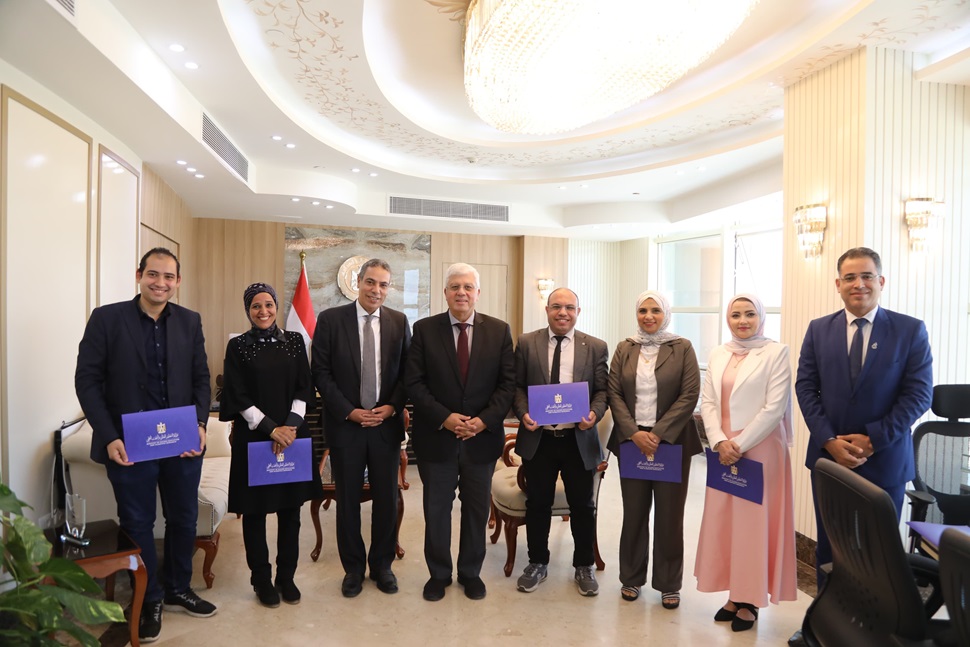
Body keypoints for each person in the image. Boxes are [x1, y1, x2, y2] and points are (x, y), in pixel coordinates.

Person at [75, 248, 216, 643]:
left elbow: (201, 378)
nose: (161, 283)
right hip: (129, 445)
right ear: (139, 275)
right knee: (137, 523)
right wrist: (109, 436)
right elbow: (87, 381)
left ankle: (178, 588)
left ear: (178, 281)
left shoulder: (189, 321)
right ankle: (149, 597)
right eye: (153, 274)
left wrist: (201, 424)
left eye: (169, 276)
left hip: (181, 442)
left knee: (184, 518)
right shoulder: (106, 319)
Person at [796, 247, 933, 584]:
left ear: (881, 281)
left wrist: (874, 439)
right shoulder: (818, 329)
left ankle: (875, 616)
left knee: (877, 552)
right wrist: (829, 440)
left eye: (867, 276)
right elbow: (806, 388)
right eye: (850, 277)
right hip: (830, 460)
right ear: (838, 284)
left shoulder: (910, 330)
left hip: (885, 461)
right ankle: (827, 613)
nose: (859, 284)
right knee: (831, 549)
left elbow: (918, 395)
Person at [405, 262, 515, 602]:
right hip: (436, 438)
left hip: (482, 441)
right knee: (436, 511)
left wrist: (482, 421)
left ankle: (470, 573)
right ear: (445, 292)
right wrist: (446, 418)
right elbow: (414, 383)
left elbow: (507, 385)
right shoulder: (424, 330)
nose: (461, 293)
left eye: (468, 287)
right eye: (455, 287)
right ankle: (438, 574)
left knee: (476, 511)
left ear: (478, 293)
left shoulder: (499, 331)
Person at [694, 294, 797, 632]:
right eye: (736, 314)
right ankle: (735, 594)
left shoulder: (776, 352)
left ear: (761, 317)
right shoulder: (719, 352)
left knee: (753, 525)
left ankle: (750, 600)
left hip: (761, 449)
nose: (742, 321)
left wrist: (738, 444)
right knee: (726, 522)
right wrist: (719, 441)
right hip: (723, 448)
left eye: (750, 314)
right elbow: (709, 402)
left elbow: (774, 407)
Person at [310, 259, 411, 598]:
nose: (376, 290)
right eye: (370, 282)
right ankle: (353, 569)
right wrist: (349, 411)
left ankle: (382, 566)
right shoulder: (330, 320)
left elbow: (408, 373)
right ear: (358, 281)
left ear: (388, 288)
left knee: (386, 500)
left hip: (385, 426)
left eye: (383, 284)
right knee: (347, 501)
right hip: (346, 427)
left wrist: (393, 406)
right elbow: (321, 372)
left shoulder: (399, 322)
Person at [220, 283, 322, 608]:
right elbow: (236, 395)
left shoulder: (295, 341)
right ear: (248, 310)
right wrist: (271, 429)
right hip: (255, 439)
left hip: (292, 436)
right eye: (256, 306)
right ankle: (261, 580)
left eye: (268, 305)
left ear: (277, 307)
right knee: (255, 513)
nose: (263, 311)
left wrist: (288, 427)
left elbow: (304, 387)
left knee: (291, 512)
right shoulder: (237, 346)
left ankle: (286, 578)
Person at [512, 287, 609, 596]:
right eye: (556, 306)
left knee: (583, 505)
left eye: (569, 307)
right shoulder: (527, 342)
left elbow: (603, 391)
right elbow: (516, 386)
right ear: (547, 310)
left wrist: (594, 413)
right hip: (539, 438)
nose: (562, 312)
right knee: (537, 503)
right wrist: (523, 413)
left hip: (577, 439)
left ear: (578, 312)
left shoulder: (595, 346)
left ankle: (584, 565)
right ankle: (537, 562)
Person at [607, 290, 700, 608]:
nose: (649, 316)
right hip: (632, 442)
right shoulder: (625, 348)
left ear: (666, 314)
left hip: (672, 443)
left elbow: (690, 394)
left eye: (656, 310)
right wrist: (634, 433)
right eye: (643, 310)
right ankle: (631, 578)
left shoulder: (682, 347)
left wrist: (658, 434)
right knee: (634, 513)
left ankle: (669, 583)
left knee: (670, 516)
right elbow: (614, 392)